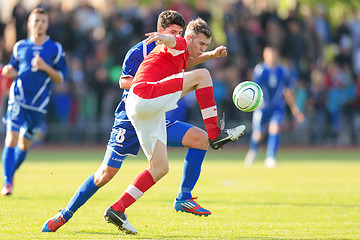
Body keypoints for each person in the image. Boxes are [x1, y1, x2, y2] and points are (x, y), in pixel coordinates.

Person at [41, 10, 241, 234]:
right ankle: (64, 214)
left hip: (153, 110)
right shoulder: (143, 49)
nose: (178, 35)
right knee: (105, 174)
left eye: (180, 32)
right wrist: (160, 65)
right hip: (132, 114)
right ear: (160, 32)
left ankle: (175, 198)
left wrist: (211, 54)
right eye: (173, 32)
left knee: (184, 150)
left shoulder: (180, 49)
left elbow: (188, 57)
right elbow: (124, 81)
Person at [103, 17, 246, 234]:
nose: (202, 49)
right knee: (204, 75)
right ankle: (215, 134)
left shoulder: (182, 54)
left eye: (206, 46)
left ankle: (118, 209)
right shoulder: (178, 42)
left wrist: (211, 54)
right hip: (145, 95)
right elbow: (173, 41)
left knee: (161, 167)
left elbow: (189, 59)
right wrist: (163, 37)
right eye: (201, 44)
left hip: (140, 106)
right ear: (188, 38)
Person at [1, 8, 67, 196]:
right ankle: (7, 183)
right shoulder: (20, 46)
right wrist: (8, 71)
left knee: (24, 144)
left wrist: (45, 67)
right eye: (36, 20)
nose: (39, 24)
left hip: (38, 105)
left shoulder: (55, 48)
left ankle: (10, 174)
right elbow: (14, 68)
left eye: (43, 21)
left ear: (47, 25)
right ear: (29, 23)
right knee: (11, 138)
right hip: (18, 98)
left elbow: (61, 78)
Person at [244, 46, 304, 168]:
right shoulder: (260, 70)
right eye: (269, 54)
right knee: (258, 134)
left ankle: (270, 157)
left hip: (277, 107)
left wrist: (294, 109)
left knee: (275, 128)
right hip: (262, 107)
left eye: (274, 54)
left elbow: (287, 91)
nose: (272, 56)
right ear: (264, 56)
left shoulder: (283, 71)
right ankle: (253, 151)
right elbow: (256, 89)